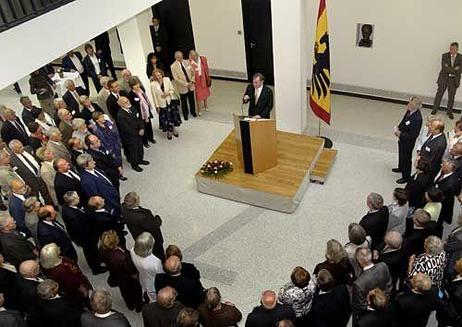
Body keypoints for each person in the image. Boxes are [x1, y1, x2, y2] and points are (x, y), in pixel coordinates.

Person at [62, 191, 106, 275]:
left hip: (85, 235)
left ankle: (98, 258)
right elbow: (83, 229)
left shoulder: (68, 206)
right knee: (90, 251)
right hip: (85, 238)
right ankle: (96, 268)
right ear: (73, 200)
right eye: (77, 196)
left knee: (93, 250)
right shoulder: (73, 216)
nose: (79, 197)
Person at [99, 230, 143, 311]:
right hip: (127, 276)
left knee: (124, 291)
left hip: (116, 275)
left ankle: (130, 305)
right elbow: (130, 270)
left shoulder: (102, 249)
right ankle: (139, 305)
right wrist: (136, 276)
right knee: (136, 290)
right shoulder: (120, 257)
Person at [351, 247, 392, 324]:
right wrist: (382, 300)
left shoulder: (358, 283)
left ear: (359, 262)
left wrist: (374, 305)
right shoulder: (383, 266)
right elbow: (389, 286)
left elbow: (361, 305)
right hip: (385, 306)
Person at [121, 192, 164, 261]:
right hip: (151, 238)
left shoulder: (123, 208)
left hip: (137, 235)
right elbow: (153, 226)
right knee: (158, 252)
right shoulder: (142, 217)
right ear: (135, 202)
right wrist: (158, 219)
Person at [393, 96, 423, 183]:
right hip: (402, 139)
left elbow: (413, 135)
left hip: (408, 142)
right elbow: (404, 121)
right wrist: (399, 127)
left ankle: (406, 177)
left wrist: (400, 134)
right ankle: (401, 168)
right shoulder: (410, 111)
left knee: (406, 158)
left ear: (415, 106)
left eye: (410, 104)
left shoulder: (417, 118)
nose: (408, 105)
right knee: (401, 154)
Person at [116, 96, 149, 172]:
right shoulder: (120, 115)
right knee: (133, 151)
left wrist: (142, 128)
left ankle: (140, 160)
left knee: (140, 148)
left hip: (139, 133)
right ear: (120, 104)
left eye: (128, 100)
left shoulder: (133, 108)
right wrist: (138, 132)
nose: (128, 103)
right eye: (125, 102)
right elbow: (126, 128)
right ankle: (135, 165)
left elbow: (139, 118)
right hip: (130, 136)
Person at [130, 232, 164, 303]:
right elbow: (160, 273)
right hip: (152, 281)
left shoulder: (132, 250)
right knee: (153, 296)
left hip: (142, 276)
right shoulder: (154, 261)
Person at [432, 42, 462, 119]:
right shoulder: (445, 56)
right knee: (439, 94)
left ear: (457, 49)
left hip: (454, 80)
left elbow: (460, 70)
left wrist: (450, 68)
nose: (451, 50)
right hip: (443, 78)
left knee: (451, 97)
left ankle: (449, 112)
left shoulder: (460, 57)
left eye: (453, 49)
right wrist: (454, 69)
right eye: (451, 48)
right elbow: (444, 68)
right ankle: (434, 109)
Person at [92, 112, 125, 179]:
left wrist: (119, 142)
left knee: (119, 159)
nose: (103, 118)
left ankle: (121, 171)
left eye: (103, 116)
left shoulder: (108, 122)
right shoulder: (96, 130)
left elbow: (116, 132)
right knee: (113, 162)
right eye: (101, 117)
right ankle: (119, 175)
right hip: (109, 149)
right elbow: (101, 142)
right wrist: (107, 150)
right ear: (97, 120)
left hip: (116, 145)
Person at [151, 68, 181, 139]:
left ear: (162, 74)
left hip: (170, 102)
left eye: (160, 75)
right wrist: (157, 106)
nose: (159, 77)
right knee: (167, 119)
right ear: (154, 77)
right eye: (157, 76)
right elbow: (154, 97)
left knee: (173, 116)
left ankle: (174, 129)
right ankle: (169, 132)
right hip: (162, 105)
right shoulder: (152, 84)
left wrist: (167, 94)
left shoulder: (167, 79)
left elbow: (172, 89)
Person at [128, 77, 156, 147]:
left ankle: (151, 138)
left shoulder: (141, 90)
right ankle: (145, 141)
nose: (137, 86)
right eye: (135, 85)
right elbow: (133, 106)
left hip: (146, 111)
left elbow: (146, 99)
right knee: (143, 128)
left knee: (149, 125)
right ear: (131, 86)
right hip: (140, 114)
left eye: (138, 84)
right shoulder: (131, 94)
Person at [434, 157, 459, 227]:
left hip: (443, 200)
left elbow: (442, 197)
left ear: (449, 168)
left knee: (441, 214)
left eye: (443, 165)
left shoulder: (449, 185)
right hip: (444, 194)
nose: (441, 165)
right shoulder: (444, 172)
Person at [171, 51, 196, 120]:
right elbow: (176, 79)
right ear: (175, 57)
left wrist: (192, 81)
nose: (181, 58)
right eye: (179, 57)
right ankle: (185, 114)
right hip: (182, 87)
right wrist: (186, 84)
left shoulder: (187, 62)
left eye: (181, 56)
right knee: (184, 101)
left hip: (191, 85)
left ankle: (193, 111)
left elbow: (193, 72)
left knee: (192, 100)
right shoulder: (173, 67)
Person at [436, 258, 462, 326]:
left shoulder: (458, 292)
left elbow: (450, 309)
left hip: (447, 318)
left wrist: (439, 295)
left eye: (458, 262)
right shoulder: (455, 274)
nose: (456, 261)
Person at [189, 50, 211, 115]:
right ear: (190, 56)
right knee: (198, 95)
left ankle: (205, 104)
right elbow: (189, 72)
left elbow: (206, 68)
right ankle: (199, 109)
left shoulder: (203, 59)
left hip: (204, 78)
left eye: (195, 55)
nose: (195, 57)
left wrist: (208, 77)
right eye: (193, 56)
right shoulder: (189, 62)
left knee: (205, 93)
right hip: (197, 81)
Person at [445, 213, 462, 279]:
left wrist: (444, 244)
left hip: (455, 259)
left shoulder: (459, 237)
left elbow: (448, 248)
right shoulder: (459, 228)